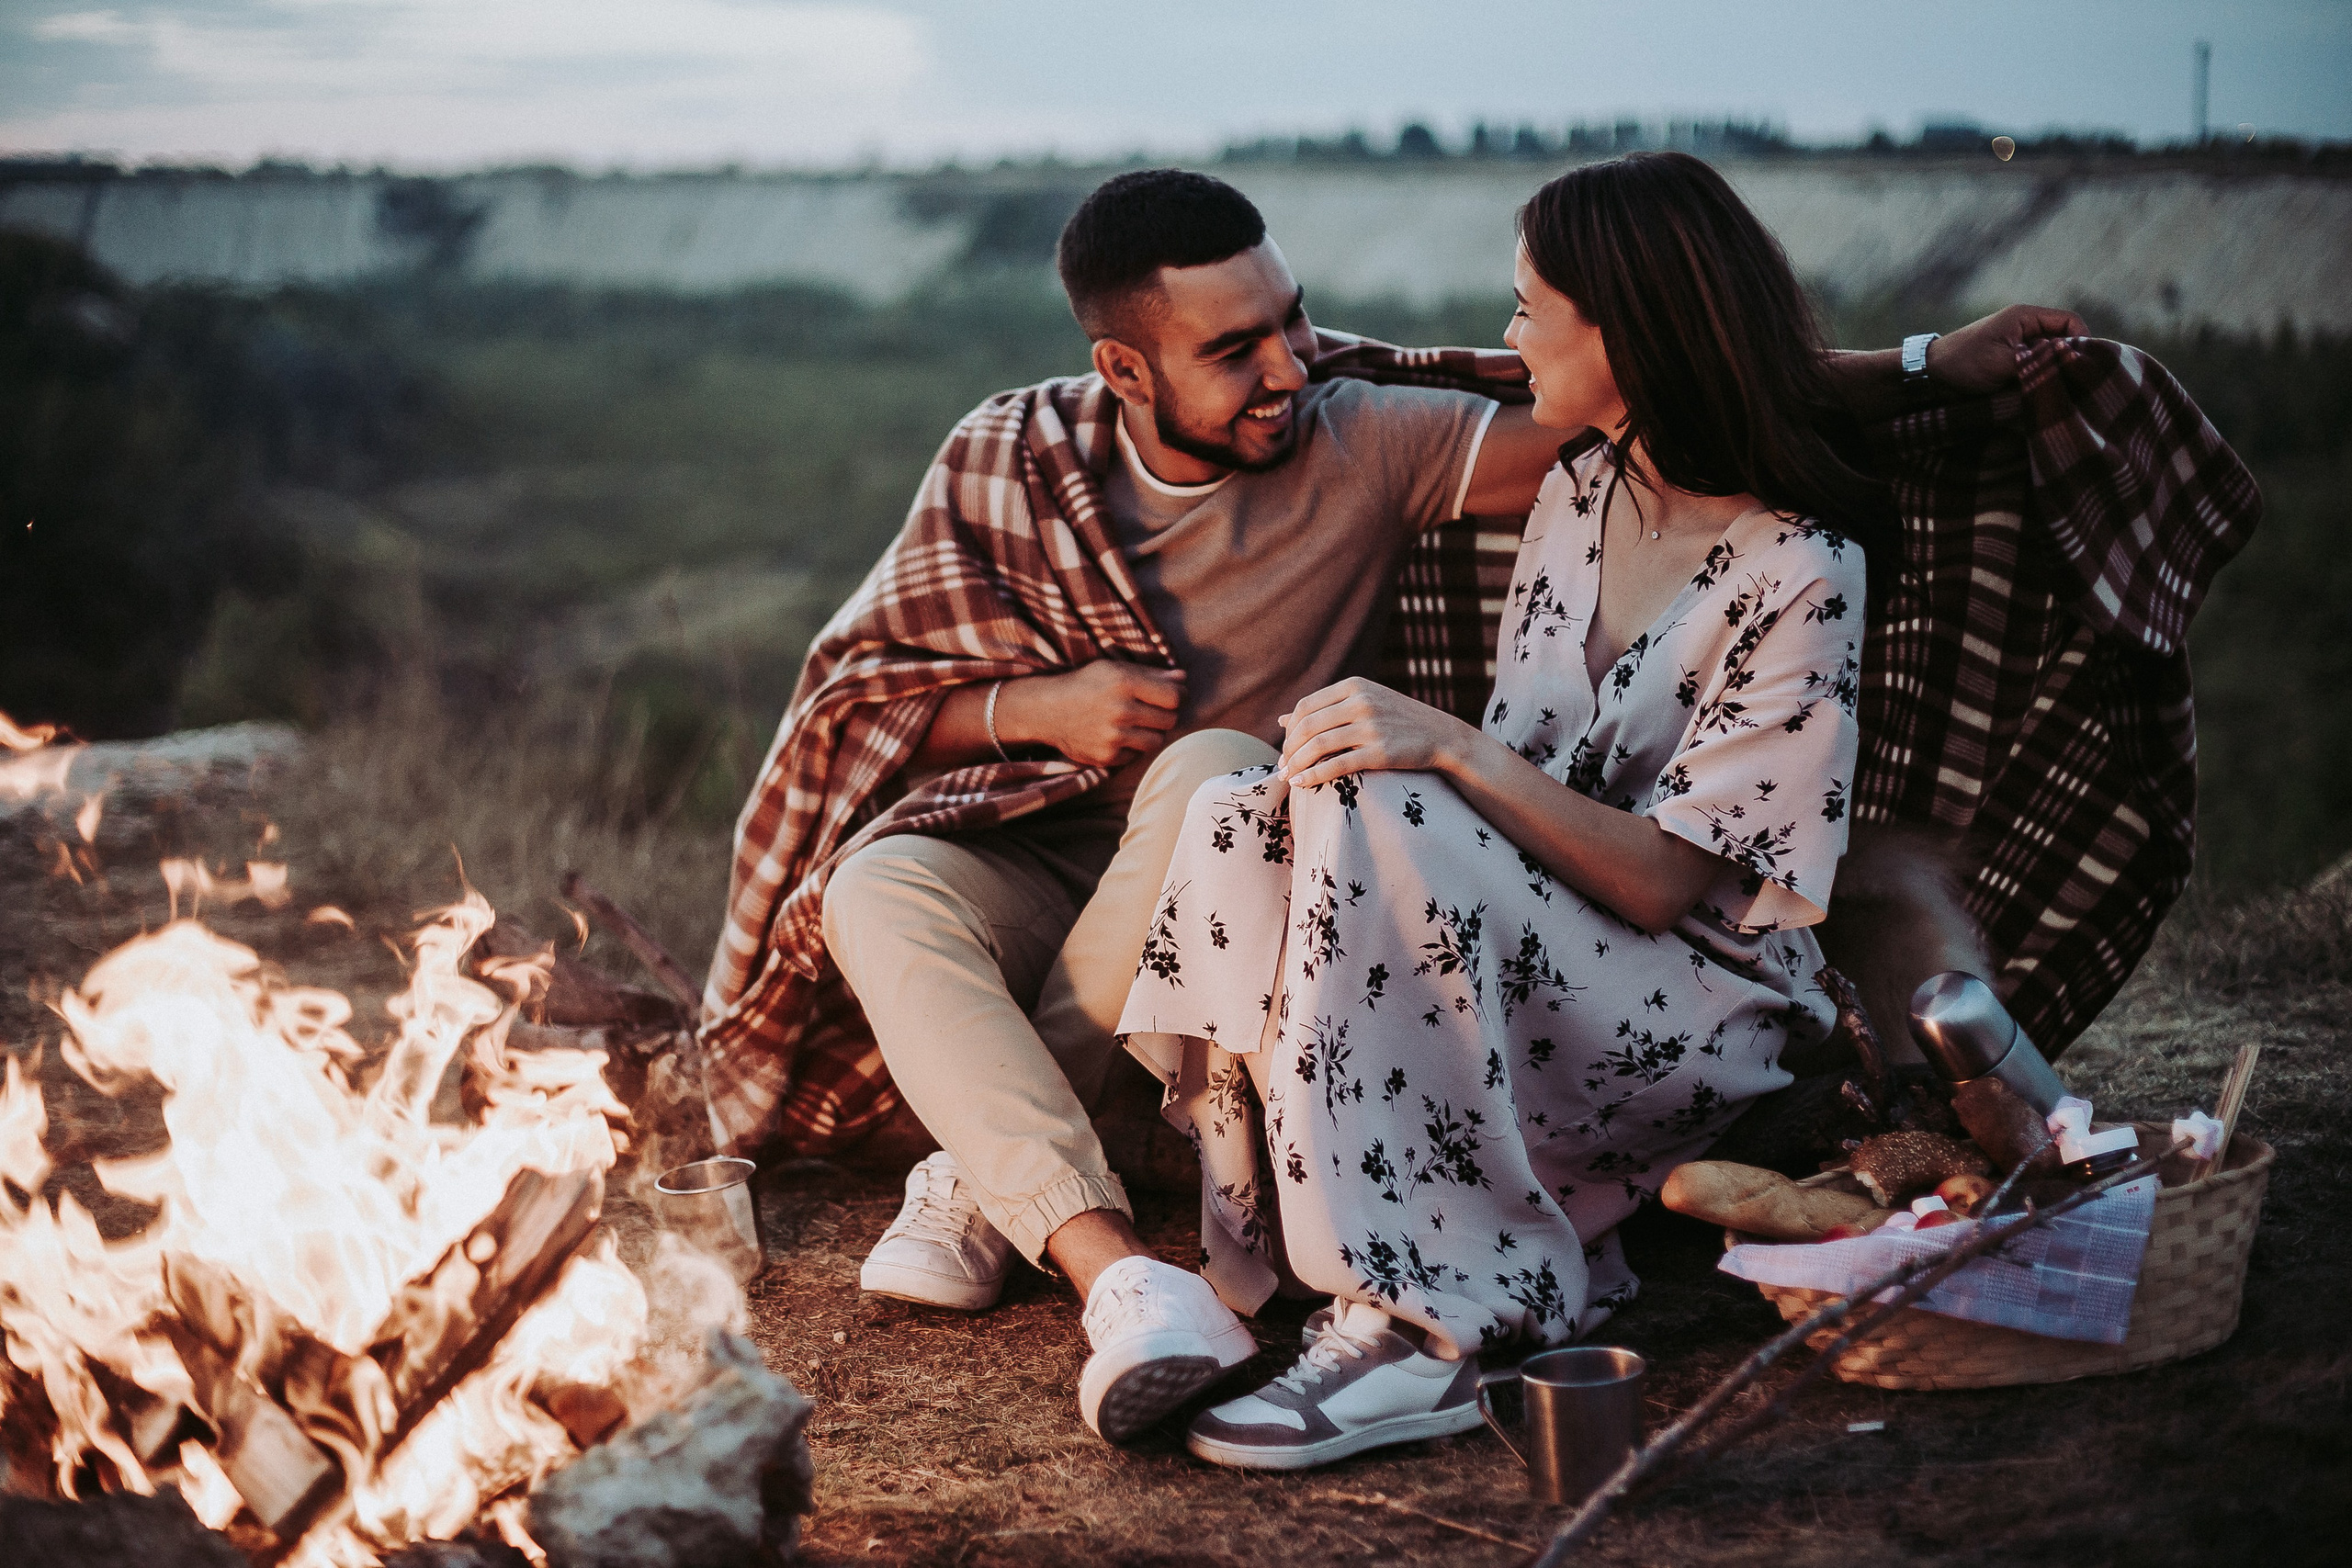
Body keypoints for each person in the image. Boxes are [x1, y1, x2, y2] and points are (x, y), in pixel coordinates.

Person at [699, 164, 2075, 1449]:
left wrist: (1919, 366)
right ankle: (1154, 1229)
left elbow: (1685, 383)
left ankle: (1369, 1307)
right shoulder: (1027, 459)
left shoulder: (1694, 538)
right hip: (1083, 850)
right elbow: (852, 702)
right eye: (1235, 349)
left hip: (1611, 959)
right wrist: (1035, 711)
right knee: (959, 865)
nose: (1291, 368)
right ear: (1124, 367)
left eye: (1293, 327)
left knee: (1249, 776)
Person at [1115, 151, 1922, 1469]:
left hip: (1697, 999)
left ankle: (1431, 1329)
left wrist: (1448, 750)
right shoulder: (1577, 494)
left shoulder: (1804, 569)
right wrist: (1392, 775)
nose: (1510, 336)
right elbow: (1481, 826)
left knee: (1396, 787)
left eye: (1530, 305)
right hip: (1526, 951)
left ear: (1629, 331)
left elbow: (1670, 882)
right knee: (1249, 811)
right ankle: (1283, 1260)